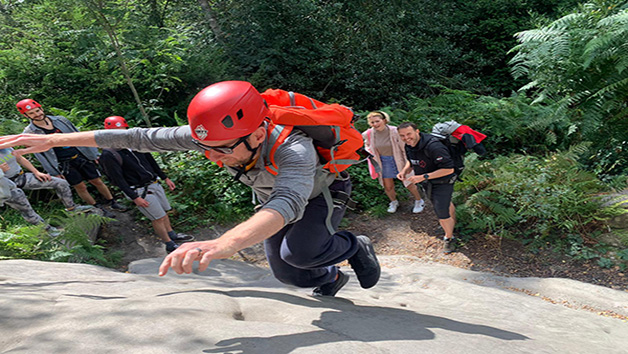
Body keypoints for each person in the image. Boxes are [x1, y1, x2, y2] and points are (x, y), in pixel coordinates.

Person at [1, 81, 381, 297]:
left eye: (224, 150)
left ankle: (354, 246)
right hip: (271, 200)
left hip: (319, 194)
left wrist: (221, 245)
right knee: (289, 274)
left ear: (259, 132)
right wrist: (55, 141)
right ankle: (330, 276)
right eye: (209, 148)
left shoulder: (294, 148)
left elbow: (288, 201)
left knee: (301, 250)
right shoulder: (216, 137)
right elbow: (139, 137)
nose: (216, 156)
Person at [100, 116, 194, 253]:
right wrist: (134, 197)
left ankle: (172, 235)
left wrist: (165, 177)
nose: (120, 134)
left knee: (164, 212)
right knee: (158, 217)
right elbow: (117, 179)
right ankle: (169, 244)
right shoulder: (109, 154)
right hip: (139, 190)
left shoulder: (135, 144)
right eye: (116, 131)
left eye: (122, 130)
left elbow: (151, 161)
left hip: (153, 183)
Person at [15, 99, 126, 216]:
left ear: (41, 108)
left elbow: (79, 135)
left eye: (37, 110)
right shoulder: (30, 132)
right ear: (26, 115)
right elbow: (39, 154)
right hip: (62, 162)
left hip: (79, 155)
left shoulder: (60, 120)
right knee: (80, 186)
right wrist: (53, 172)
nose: (37, 114)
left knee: (97, 180)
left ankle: (112, 201)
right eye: (32, 113)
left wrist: (93, 154)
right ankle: (98, 208)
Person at [396, 122, 457, 254]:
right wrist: (405, 171)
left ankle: (449, 238)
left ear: (417, 131)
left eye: (409, 134)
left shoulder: (434, 146)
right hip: (427, 180)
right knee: (444, 203)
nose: (406, 138)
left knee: (441, 211)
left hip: (443, 180)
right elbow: (411, 161)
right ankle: (451, 226)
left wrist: (423, 176)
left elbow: (448, 168)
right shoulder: (409, 145)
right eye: (402, 136)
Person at [362, 111, 425, 213]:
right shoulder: (369, 134)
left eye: (377, 121)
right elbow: (367, 145)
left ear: (384, 120)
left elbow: (405, 147)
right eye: (372, 122)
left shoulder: (395, 131)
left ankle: (419, 200)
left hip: (399, 159)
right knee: (388, 186)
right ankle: (393, 202)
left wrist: (409, 163)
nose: (375, 124)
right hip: (383, 161)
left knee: (409, 182)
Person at [0, 147, 93, 213]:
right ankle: (46, 230)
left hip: (21, 176)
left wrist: (36, 172)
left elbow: (19, 158)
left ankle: (71, 208)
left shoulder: (5, 145)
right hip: (5, 184)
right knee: (26, 209)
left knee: (61, 183)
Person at [0, 167, 60, 235]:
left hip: (9, 191)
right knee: (27, 211)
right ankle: (47, 230)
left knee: (27, 210)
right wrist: (1, 170)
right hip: (5, 192)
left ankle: (47, 229)